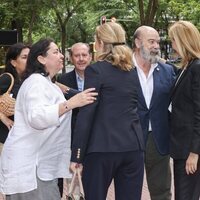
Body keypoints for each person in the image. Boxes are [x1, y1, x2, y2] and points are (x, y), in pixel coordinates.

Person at [0, 38, 97, 200]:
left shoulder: (47, 84)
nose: (61, 56)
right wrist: (71, 104)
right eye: (56, 52)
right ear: (41, 58)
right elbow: (37, 117)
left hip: (41, 170)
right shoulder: (36, 83)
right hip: (31, 171)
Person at [70, 22, 145, 200]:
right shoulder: (132, 71)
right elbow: (138, 106)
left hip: (102, 149)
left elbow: (86, 114)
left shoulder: (96, 70)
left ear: (100, 43)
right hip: (133, 148)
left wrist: (77, 155)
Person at [132, 26, 176, 200]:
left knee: (162, 192)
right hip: (129, 137)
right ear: (137, 42)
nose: (156, 46)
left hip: (159, 139)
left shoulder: (167, 71)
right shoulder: (123, 69)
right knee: (128, 189)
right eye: (151, 41)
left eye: (157, 42)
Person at [168, 20, 200, 200]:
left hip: (190, 151)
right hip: (182, 148)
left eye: (173, 40)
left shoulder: (197, 68)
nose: (172, 44)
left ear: (183, 41)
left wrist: (194, 153)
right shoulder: (185, 67)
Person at [0, 43, 30, 151]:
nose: (29, 60)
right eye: (24, 57)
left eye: (30, 57)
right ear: (13, 62)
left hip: (21, 139)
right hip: (4, 140)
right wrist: (4, 118)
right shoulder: (7, 79)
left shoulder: (28, 81)